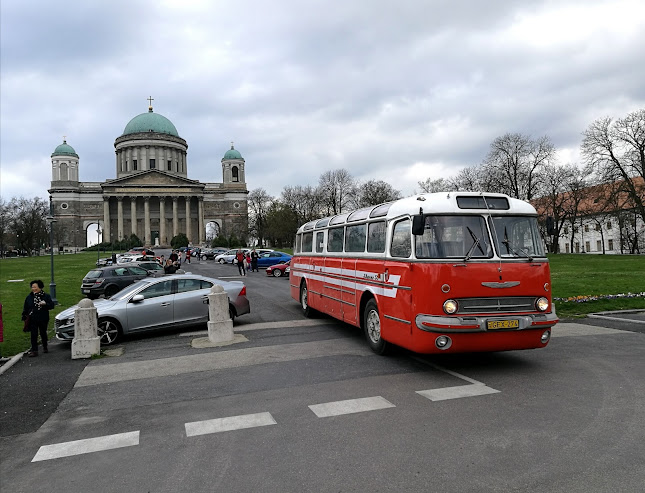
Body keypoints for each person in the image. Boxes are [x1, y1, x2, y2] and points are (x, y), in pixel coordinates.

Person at [22, 280, 55, 357]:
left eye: (35, 287)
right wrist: (24, 315)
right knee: (33, 334)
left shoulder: (46, 296)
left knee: (43, 332)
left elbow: (51, 306)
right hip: (33, 318)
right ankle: (34, 350)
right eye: (32, 287)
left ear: (40, 287)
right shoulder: (29, 297)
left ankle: (45, 346)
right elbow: (26, 307)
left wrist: (45, 304)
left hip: (43, 317)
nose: (34, 289)